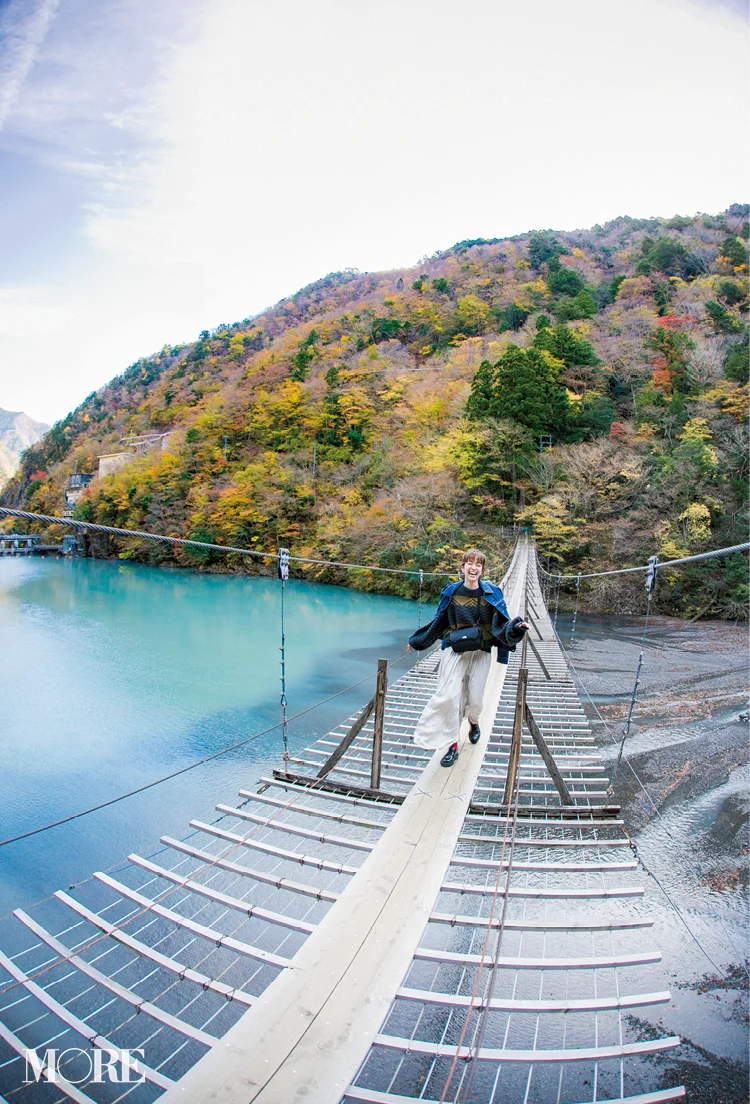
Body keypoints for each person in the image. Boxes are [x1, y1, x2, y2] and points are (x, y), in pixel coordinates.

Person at [408, 548, 528, 767]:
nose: (474, 568)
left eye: (478, 564)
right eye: (469, 563)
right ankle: (451, 745)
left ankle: (473, 721)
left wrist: (517, 628)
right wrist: (417, 641)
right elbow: (439, 622)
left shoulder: (492, 593)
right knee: (449, 696)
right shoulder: (450, 592)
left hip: (481, 651)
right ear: (462, 567)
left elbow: (501, 624)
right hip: (455, 650)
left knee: (475, 701)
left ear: (482, 570)